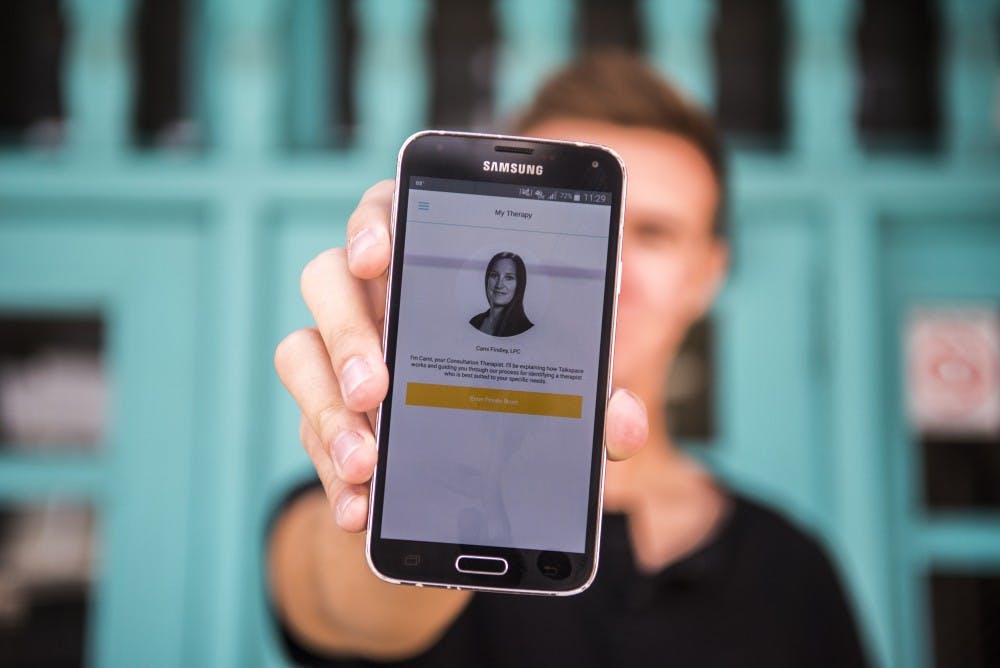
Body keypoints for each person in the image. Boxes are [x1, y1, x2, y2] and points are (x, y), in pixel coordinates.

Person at [270, 51, 870, 667]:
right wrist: (422, 478)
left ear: (707, 275)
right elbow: (346, 604)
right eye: (565, 225)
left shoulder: (794, 569)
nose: (608, 273)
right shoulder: (371, 494)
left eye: (655, 233)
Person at [469, 251, 534, 337]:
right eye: (494, 275)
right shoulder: (474, 321)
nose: (499, 285)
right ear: (487, 280)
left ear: (519, 285)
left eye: (509, 278)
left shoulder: (525, 329)